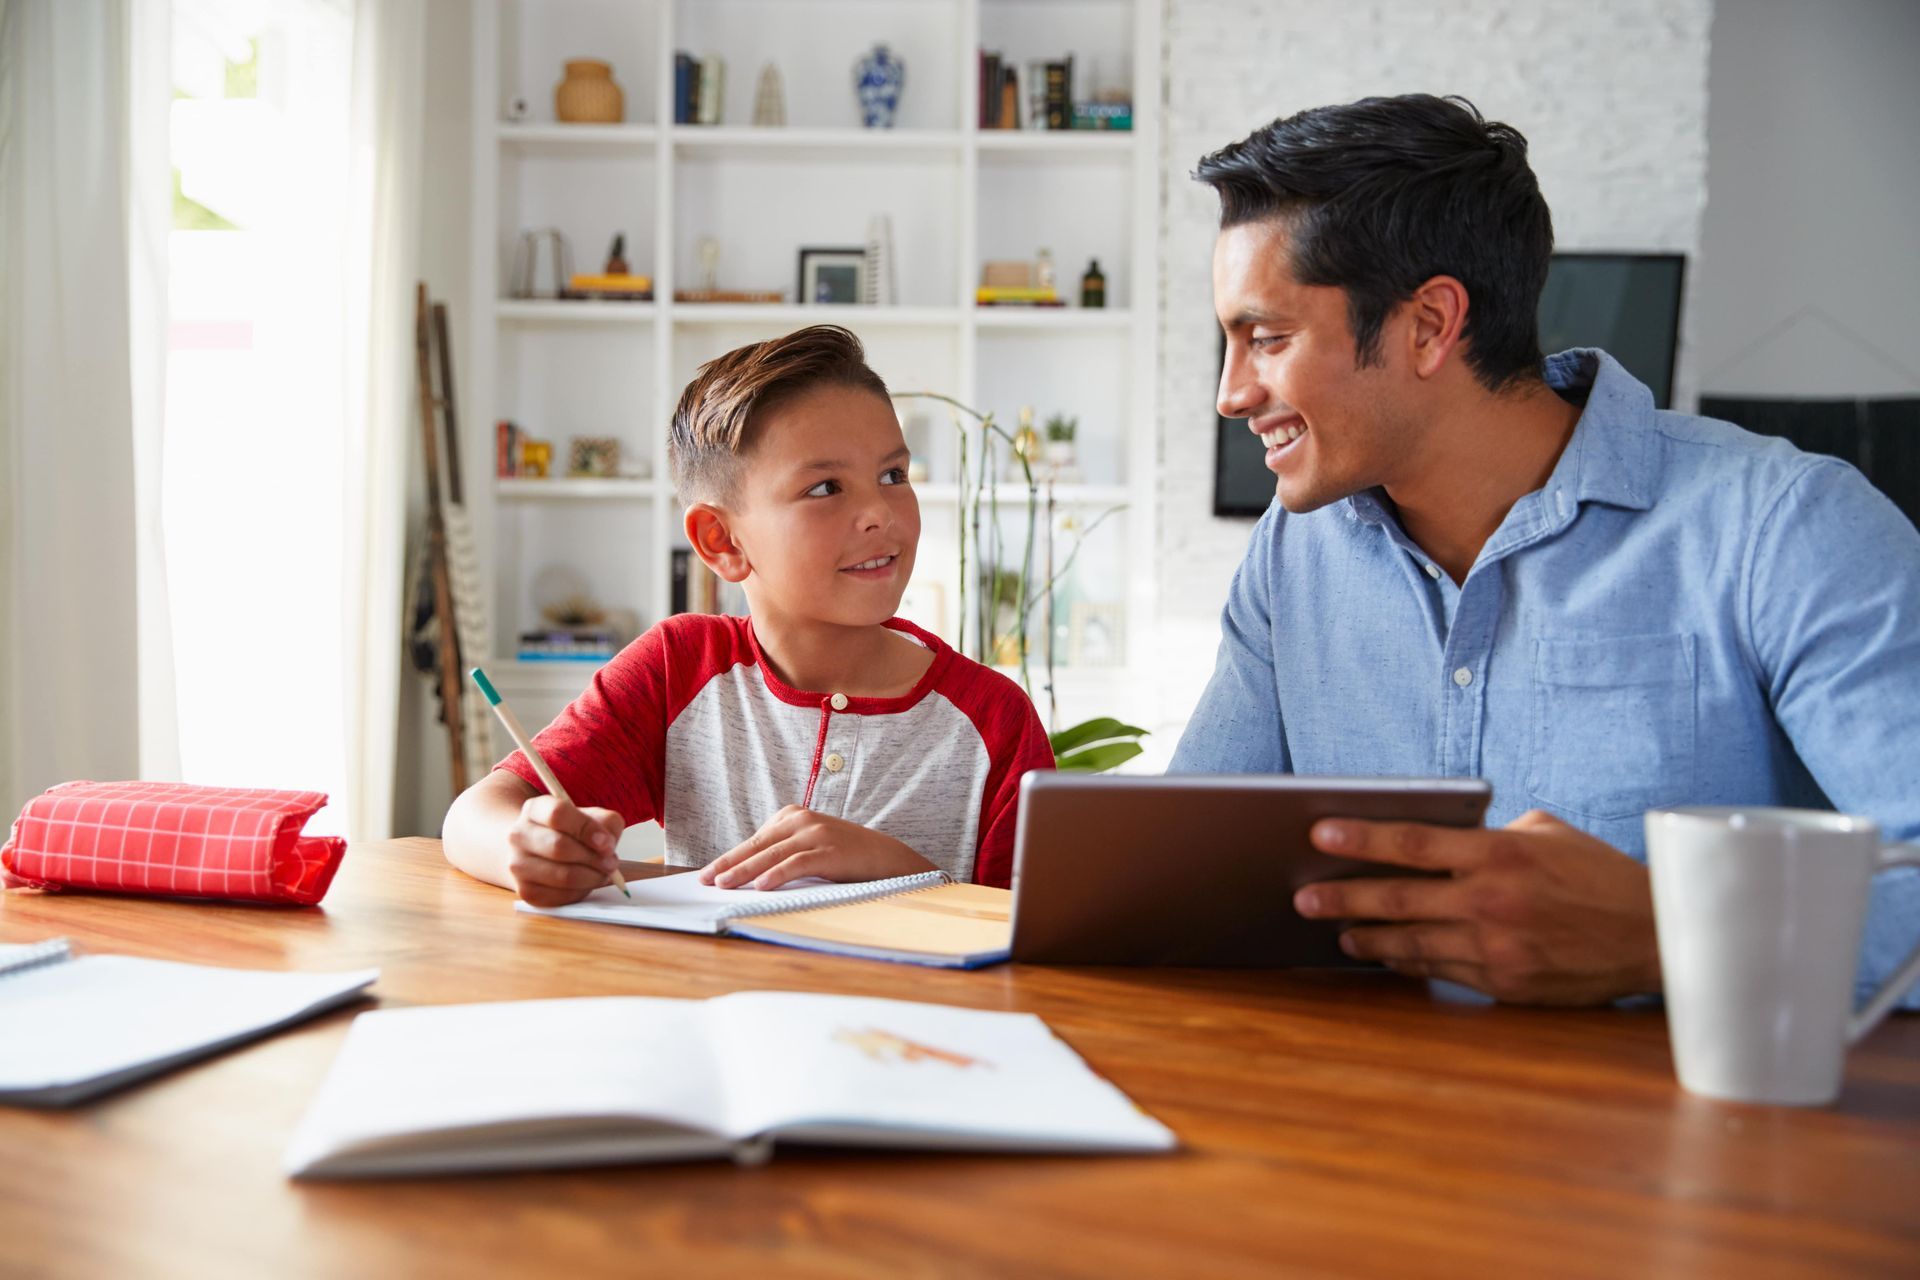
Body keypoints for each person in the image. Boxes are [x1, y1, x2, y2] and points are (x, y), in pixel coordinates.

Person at [1174, 94, 1920, 1007]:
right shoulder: (1292, 556)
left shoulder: (1788, 527)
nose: (1231, 393)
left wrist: (1671, 935)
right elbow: (1186, 882)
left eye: (1269, 338)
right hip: (1365, 1122)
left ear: (1429, 325)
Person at [443, 325, 1054, 906]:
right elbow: (476, 814)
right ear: (721, 542)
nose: (880, 513)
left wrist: (894, 870)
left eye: (893, 475)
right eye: (825, 488)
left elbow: (1035, 937)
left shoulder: (994, 721)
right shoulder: (676, 670)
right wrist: (525, 847)